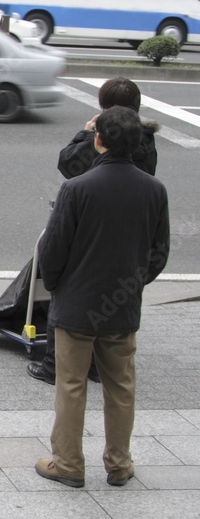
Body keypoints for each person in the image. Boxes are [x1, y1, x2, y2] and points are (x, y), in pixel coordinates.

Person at [34, 106, 169, 490]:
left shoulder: (77, 188)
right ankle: (118, 463)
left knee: (72, 385)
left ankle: (68, 463)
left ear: (99, 140)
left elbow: (54, 249)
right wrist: (134, 283)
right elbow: (159, 252)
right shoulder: (154, 190)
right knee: (121, 386)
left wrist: (59, 286)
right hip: (123, 306)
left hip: (77, 304)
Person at [27, 76, 160, 386]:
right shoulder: (145, 140)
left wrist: (85, 133)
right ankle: (99, 367)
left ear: (103, 107)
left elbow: (69, 165)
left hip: (89, 232)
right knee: (111, 301)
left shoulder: (104, 138)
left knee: (69, 298)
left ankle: (53, 365)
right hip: (127, 240)